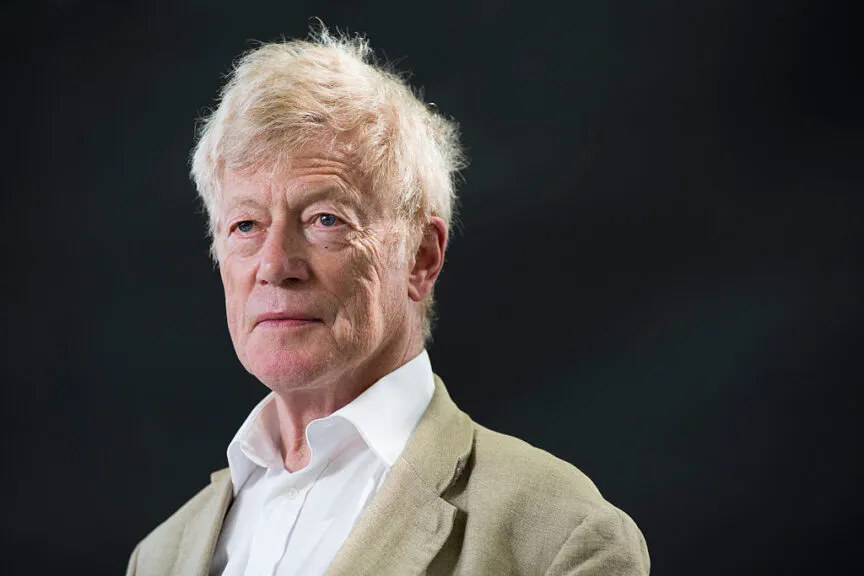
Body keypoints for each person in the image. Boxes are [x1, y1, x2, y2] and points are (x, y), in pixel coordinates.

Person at [126, 26, 650, 576]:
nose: (275, 265)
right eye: (245, 225)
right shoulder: (160, 557)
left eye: (325, 220)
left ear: (422, 257)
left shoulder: (560, 538)